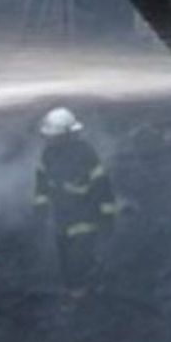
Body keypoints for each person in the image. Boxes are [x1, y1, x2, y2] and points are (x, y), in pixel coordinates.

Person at [33, 107, 119, 301]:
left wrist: (107, 218)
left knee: (76, 264)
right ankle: (81, 290)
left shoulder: (85, 154)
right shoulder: (48, 155)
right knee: (65, 263)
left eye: (54, 137)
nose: (50, 140)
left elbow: (102, 188)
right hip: (61, 221)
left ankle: (81, 303)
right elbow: (41, 185)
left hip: (85, 220)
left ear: (68, 136)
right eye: (49, 137)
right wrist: (40, 211)